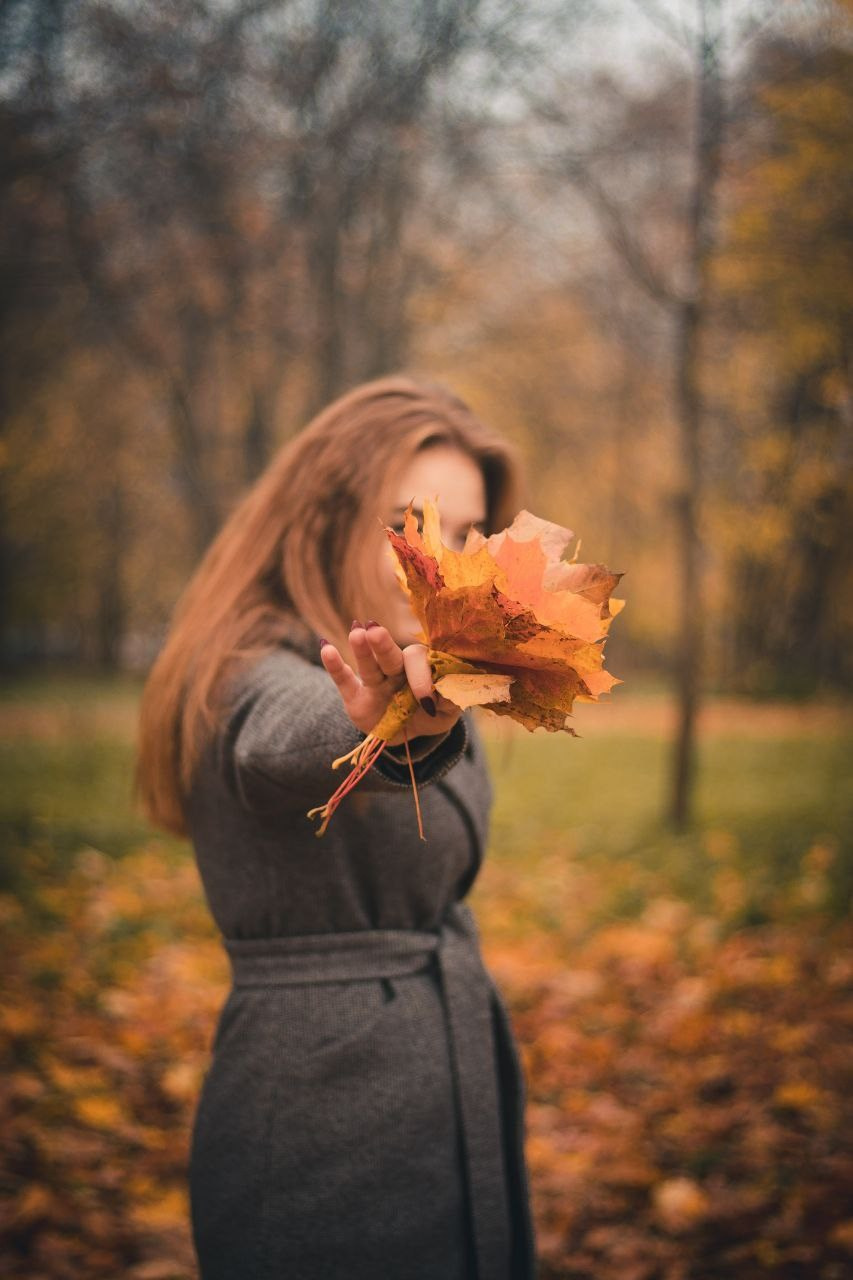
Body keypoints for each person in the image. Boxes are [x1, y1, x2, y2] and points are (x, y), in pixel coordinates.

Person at [134, 374, 537, 1279]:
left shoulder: (422, 670)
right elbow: (276, 738)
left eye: (467, 531)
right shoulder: (246, 665)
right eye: (407, 522)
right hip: (319, 1123)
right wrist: (371, 720)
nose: (442, 559)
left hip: (445, 1087)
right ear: (323, 520)